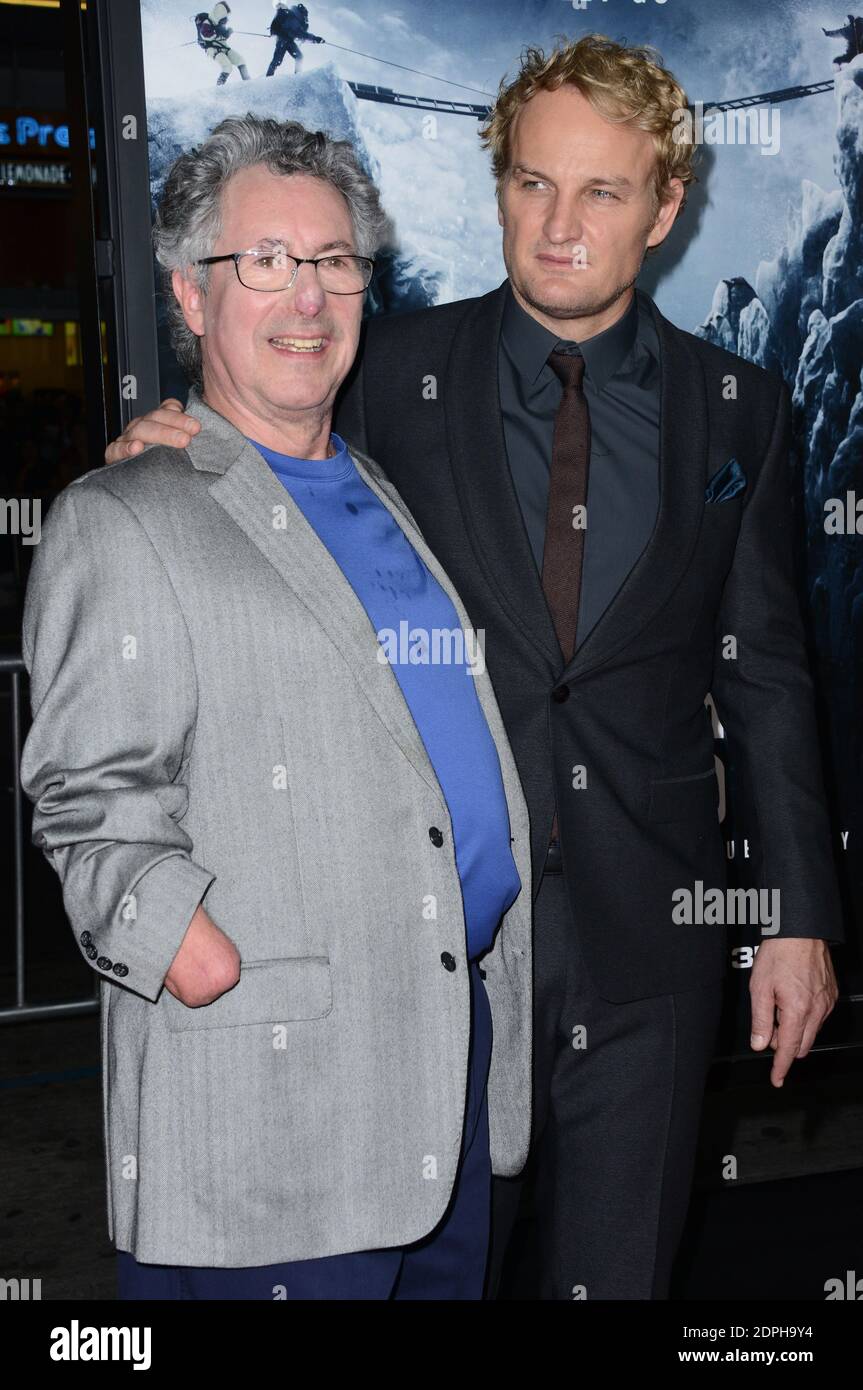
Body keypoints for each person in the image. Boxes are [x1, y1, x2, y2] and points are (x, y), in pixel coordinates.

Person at [105, 35, 844, 1301]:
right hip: (425, 958)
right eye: (530, 184)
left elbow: (765, 675)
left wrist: (798, 917)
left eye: (601, 192)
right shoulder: (384, 367)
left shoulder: (740, 409)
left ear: (664, 208)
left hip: (646, 952)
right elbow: (262, 456)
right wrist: (174, 443)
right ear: (497, 184)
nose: (557, 227)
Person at [20, 114, 533, 1300]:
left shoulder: (372, 486)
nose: (306, 297)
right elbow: (84, 792)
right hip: (272, 1098)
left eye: (334, 261)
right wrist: (176, 944)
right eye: (262, 261)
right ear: (190, 299)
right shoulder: (123, 514)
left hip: (440, 1073)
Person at [194, 4, 250, 85]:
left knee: (240, 60)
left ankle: (248, 80)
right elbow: (206, 35)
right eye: (223, 20)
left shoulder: (219, 22)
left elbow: (224, 36)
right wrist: (221, 35)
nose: (224, 22)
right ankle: (220, 86)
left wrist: (228, 33)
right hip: (213, 50)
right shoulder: (206, 23)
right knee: (227, 66)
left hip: (224, 47)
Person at [267, 2, 324, 78]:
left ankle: (297, 76)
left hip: (288, 40)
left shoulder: (294, 17)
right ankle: (268, 78)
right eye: (305, 15)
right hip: (283, 40)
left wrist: (314, 40)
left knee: (296, 57)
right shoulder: (294, 18)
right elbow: (301, 34)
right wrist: (315, 39)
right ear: (302, 13)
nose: (306, 18)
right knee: (278, 60)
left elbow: (300, 35)